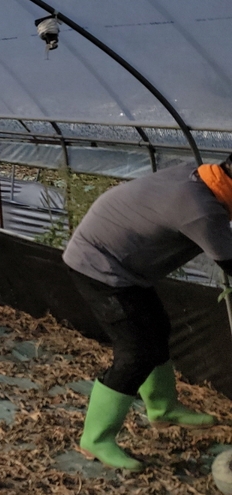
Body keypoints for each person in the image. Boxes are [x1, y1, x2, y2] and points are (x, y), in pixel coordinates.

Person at [64, 156, 232, 471]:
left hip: (122, 262)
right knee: (136, 351)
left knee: (156, 328)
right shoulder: (201, 211)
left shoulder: (197, 174)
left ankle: (163, 407)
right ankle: (95, 438)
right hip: (99, 265)